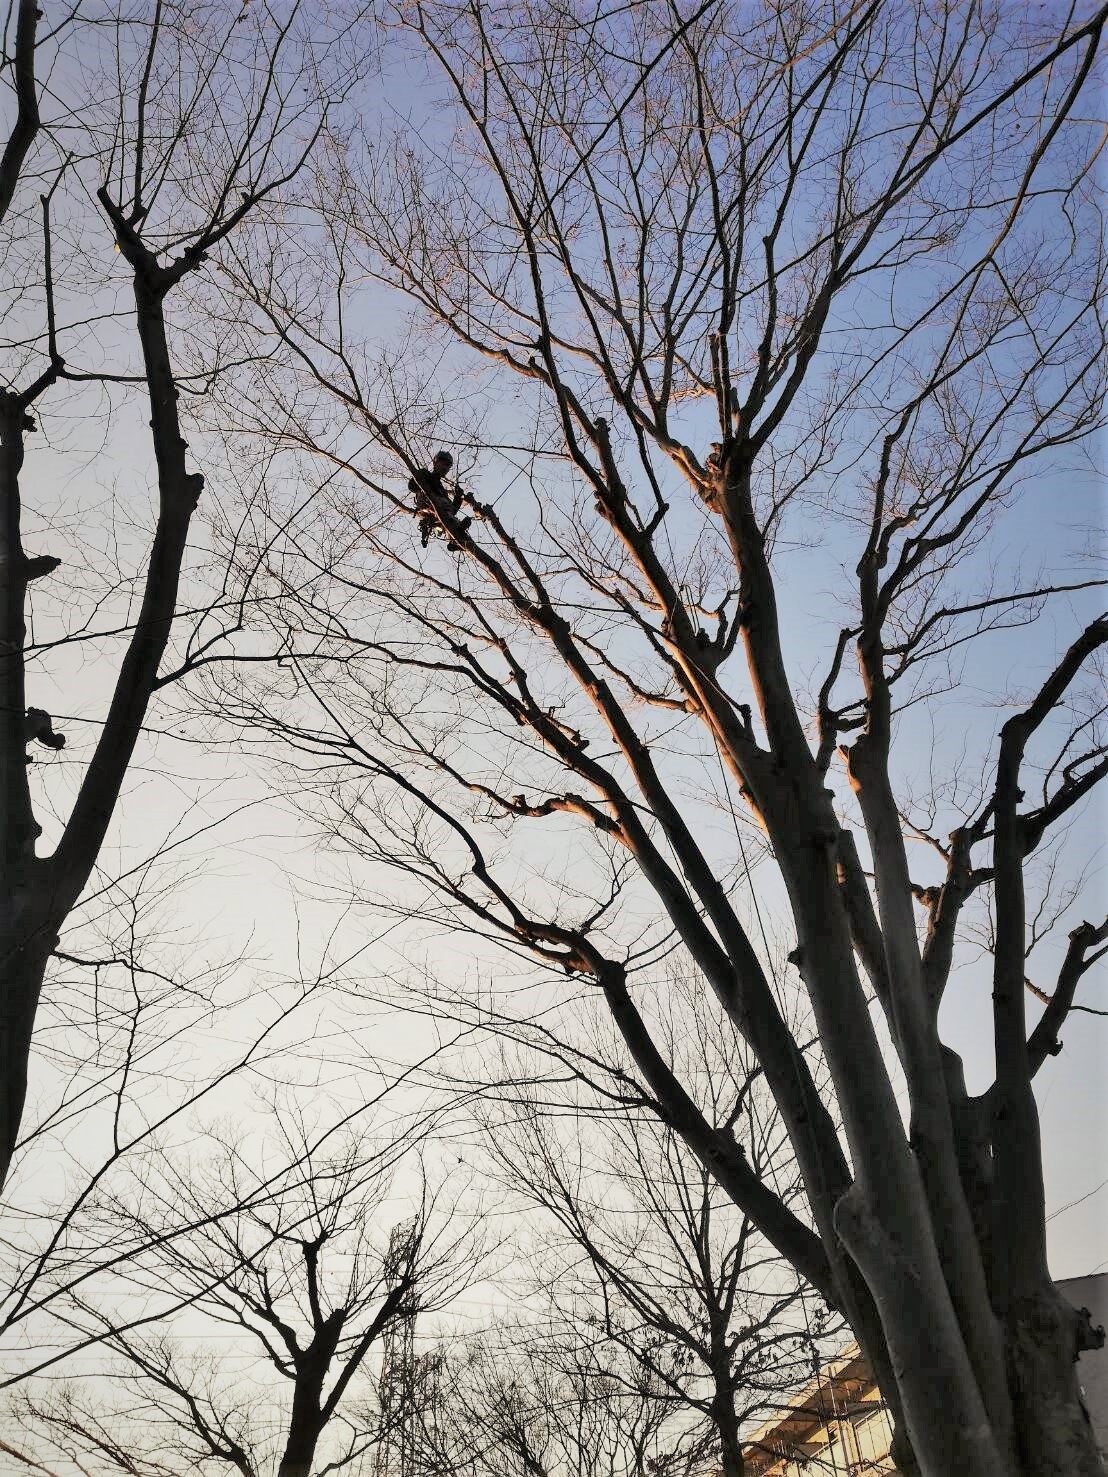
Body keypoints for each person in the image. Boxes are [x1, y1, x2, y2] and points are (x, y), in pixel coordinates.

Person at [409, 450, 470, 549]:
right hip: (427, 507)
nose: (445, 468)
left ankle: (456, 541)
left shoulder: (442, 490)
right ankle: (456, 536)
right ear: (435, 463)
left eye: (448, 466)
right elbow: (412, 486)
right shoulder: (426, 475)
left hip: (441, 514)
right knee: (446, 511)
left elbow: (452, 510)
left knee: (450, 515)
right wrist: (420, 475)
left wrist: (458, 497)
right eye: (443, 464)